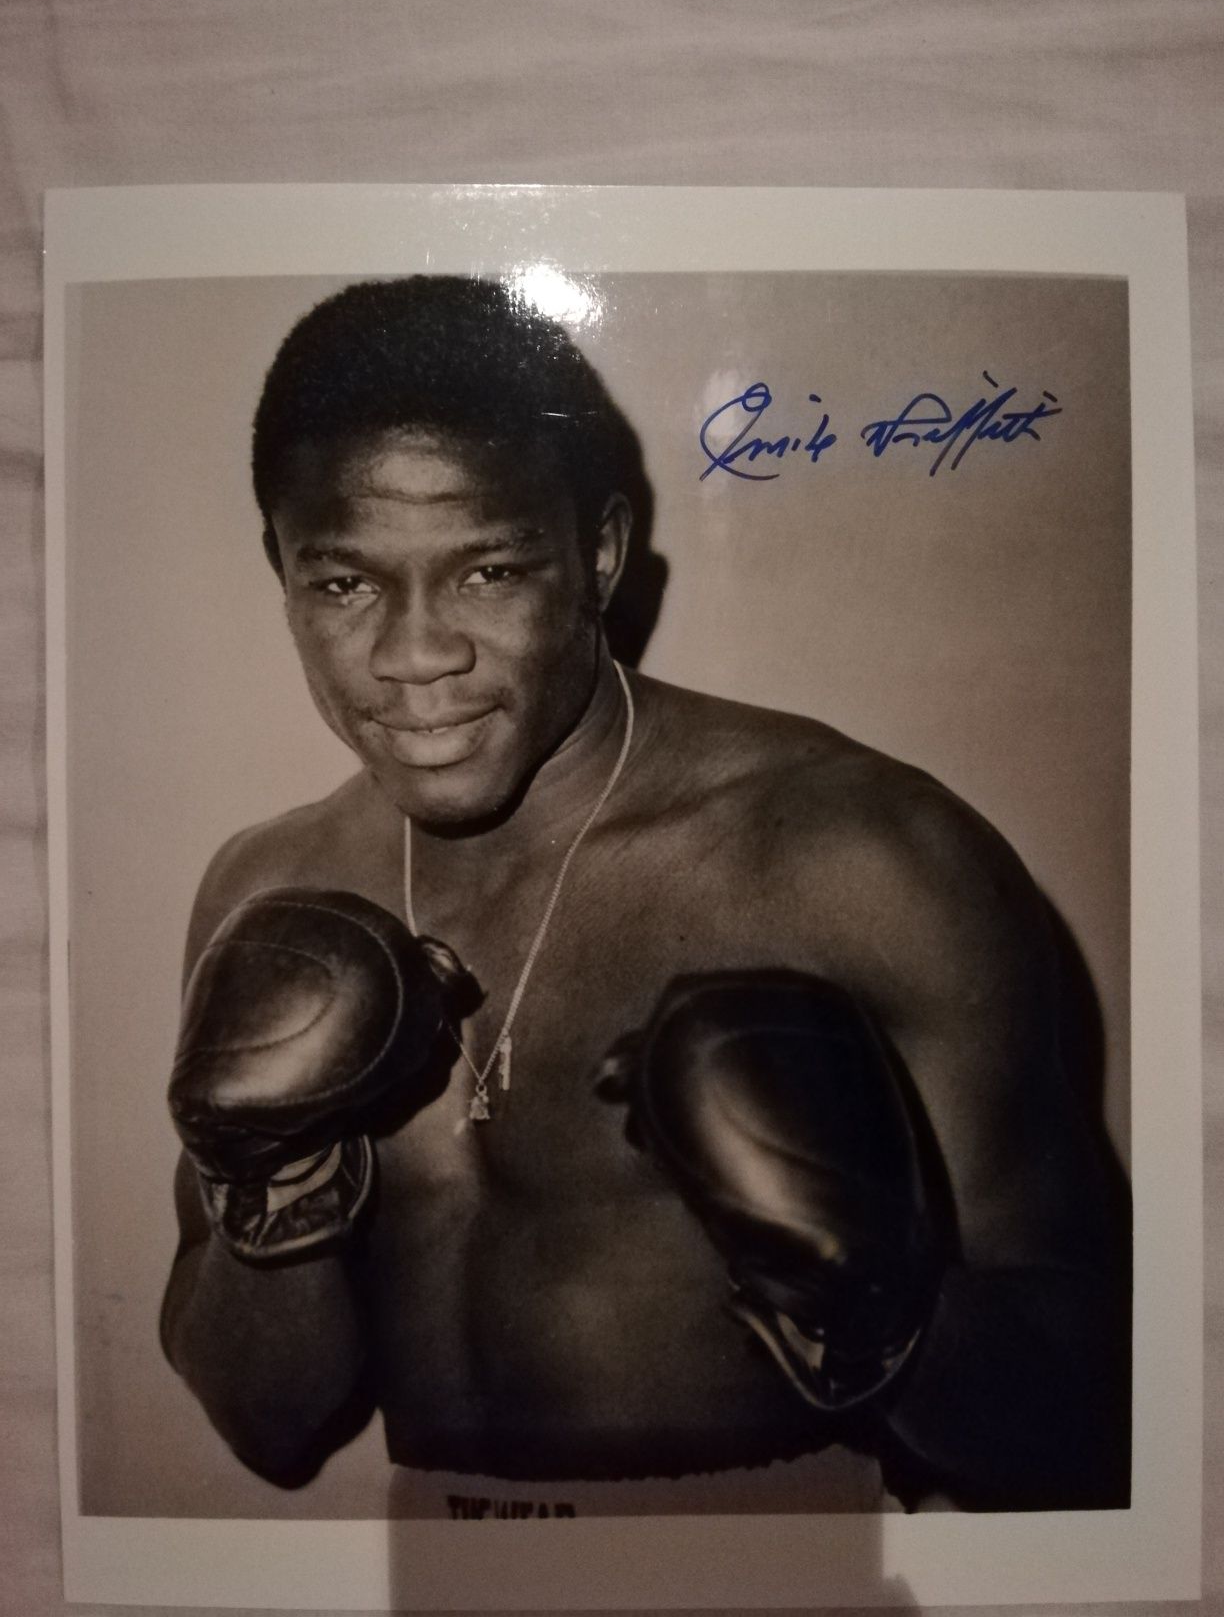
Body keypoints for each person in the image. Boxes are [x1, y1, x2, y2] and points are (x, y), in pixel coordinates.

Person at [160, 276, 1129, 1512]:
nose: (413, 655)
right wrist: (277, 1188)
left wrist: (876, 1307)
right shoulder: (268, 889)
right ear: (282, 570)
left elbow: (1088, 1418)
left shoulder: (867, 862)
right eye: (345, 583)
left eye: (488, 571)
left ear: (599, 556)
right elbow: (266, 1425)